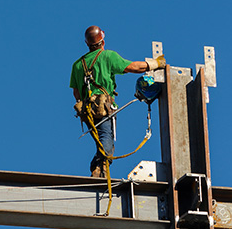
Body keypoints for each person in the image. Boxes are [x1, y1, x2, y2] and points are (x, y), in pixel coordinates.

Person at [70, 25, 165, 177]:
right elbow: (133, 67)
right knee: (106, 139)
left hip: (87, 111)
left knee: (100, 139)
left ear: (87, 43)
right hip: (103, 106)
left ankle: (101, 168)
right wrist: (155, 64)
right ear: (102, 40)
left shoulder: (77, 65)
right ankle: (99, 169)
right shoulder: (107, 56)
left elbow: (76, 92)